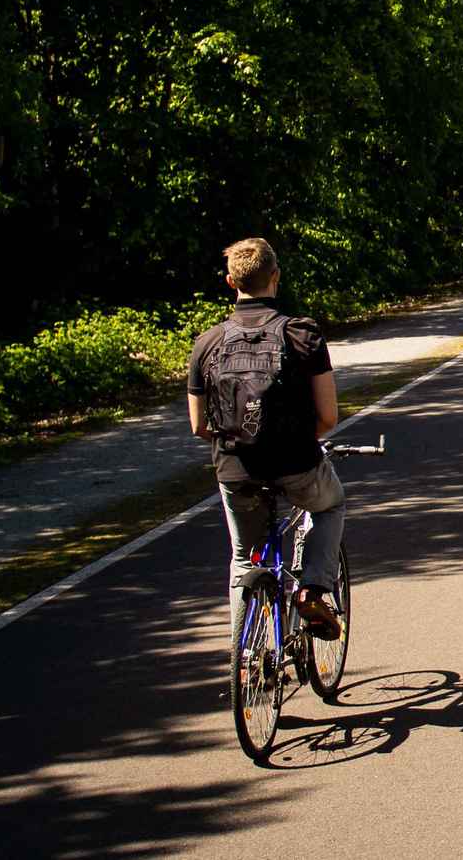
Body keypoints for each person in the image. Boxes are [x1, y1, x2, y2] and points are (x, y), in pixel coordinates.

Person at [186, 238, 345, 640]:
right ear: (275, 276)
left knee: (243, 557)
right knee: (329, 507)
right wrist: (295, 439)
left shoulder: (206, 343)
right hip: (296, 463)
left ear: (229, 281)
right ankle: (312, 589)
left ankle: (242, 652)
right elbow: (328, 416)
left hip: (235, 469)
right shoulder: (301, 334)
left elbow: (199, 426)